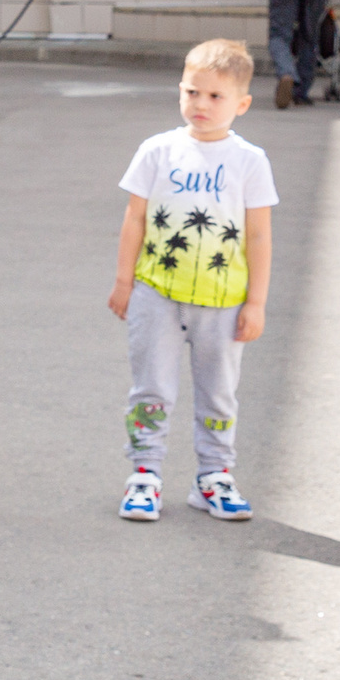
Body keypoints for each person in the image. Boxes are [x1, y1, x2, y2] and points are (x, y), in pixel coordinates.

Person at [108, 39, 276, 524]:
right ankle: (144, 475)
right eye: (191, 92)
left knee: (218, 391)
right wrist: (124, 280)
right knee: (151, 388)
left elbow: (260, 235)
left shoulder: (249, 161)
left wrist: (257, 303)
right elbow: (135, 218)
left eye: (216, 97)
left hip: (223, 302)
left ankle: (214, 477)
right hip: (154, 293)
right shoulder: (157, 151)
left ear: (241, 104)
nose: (200, 104)